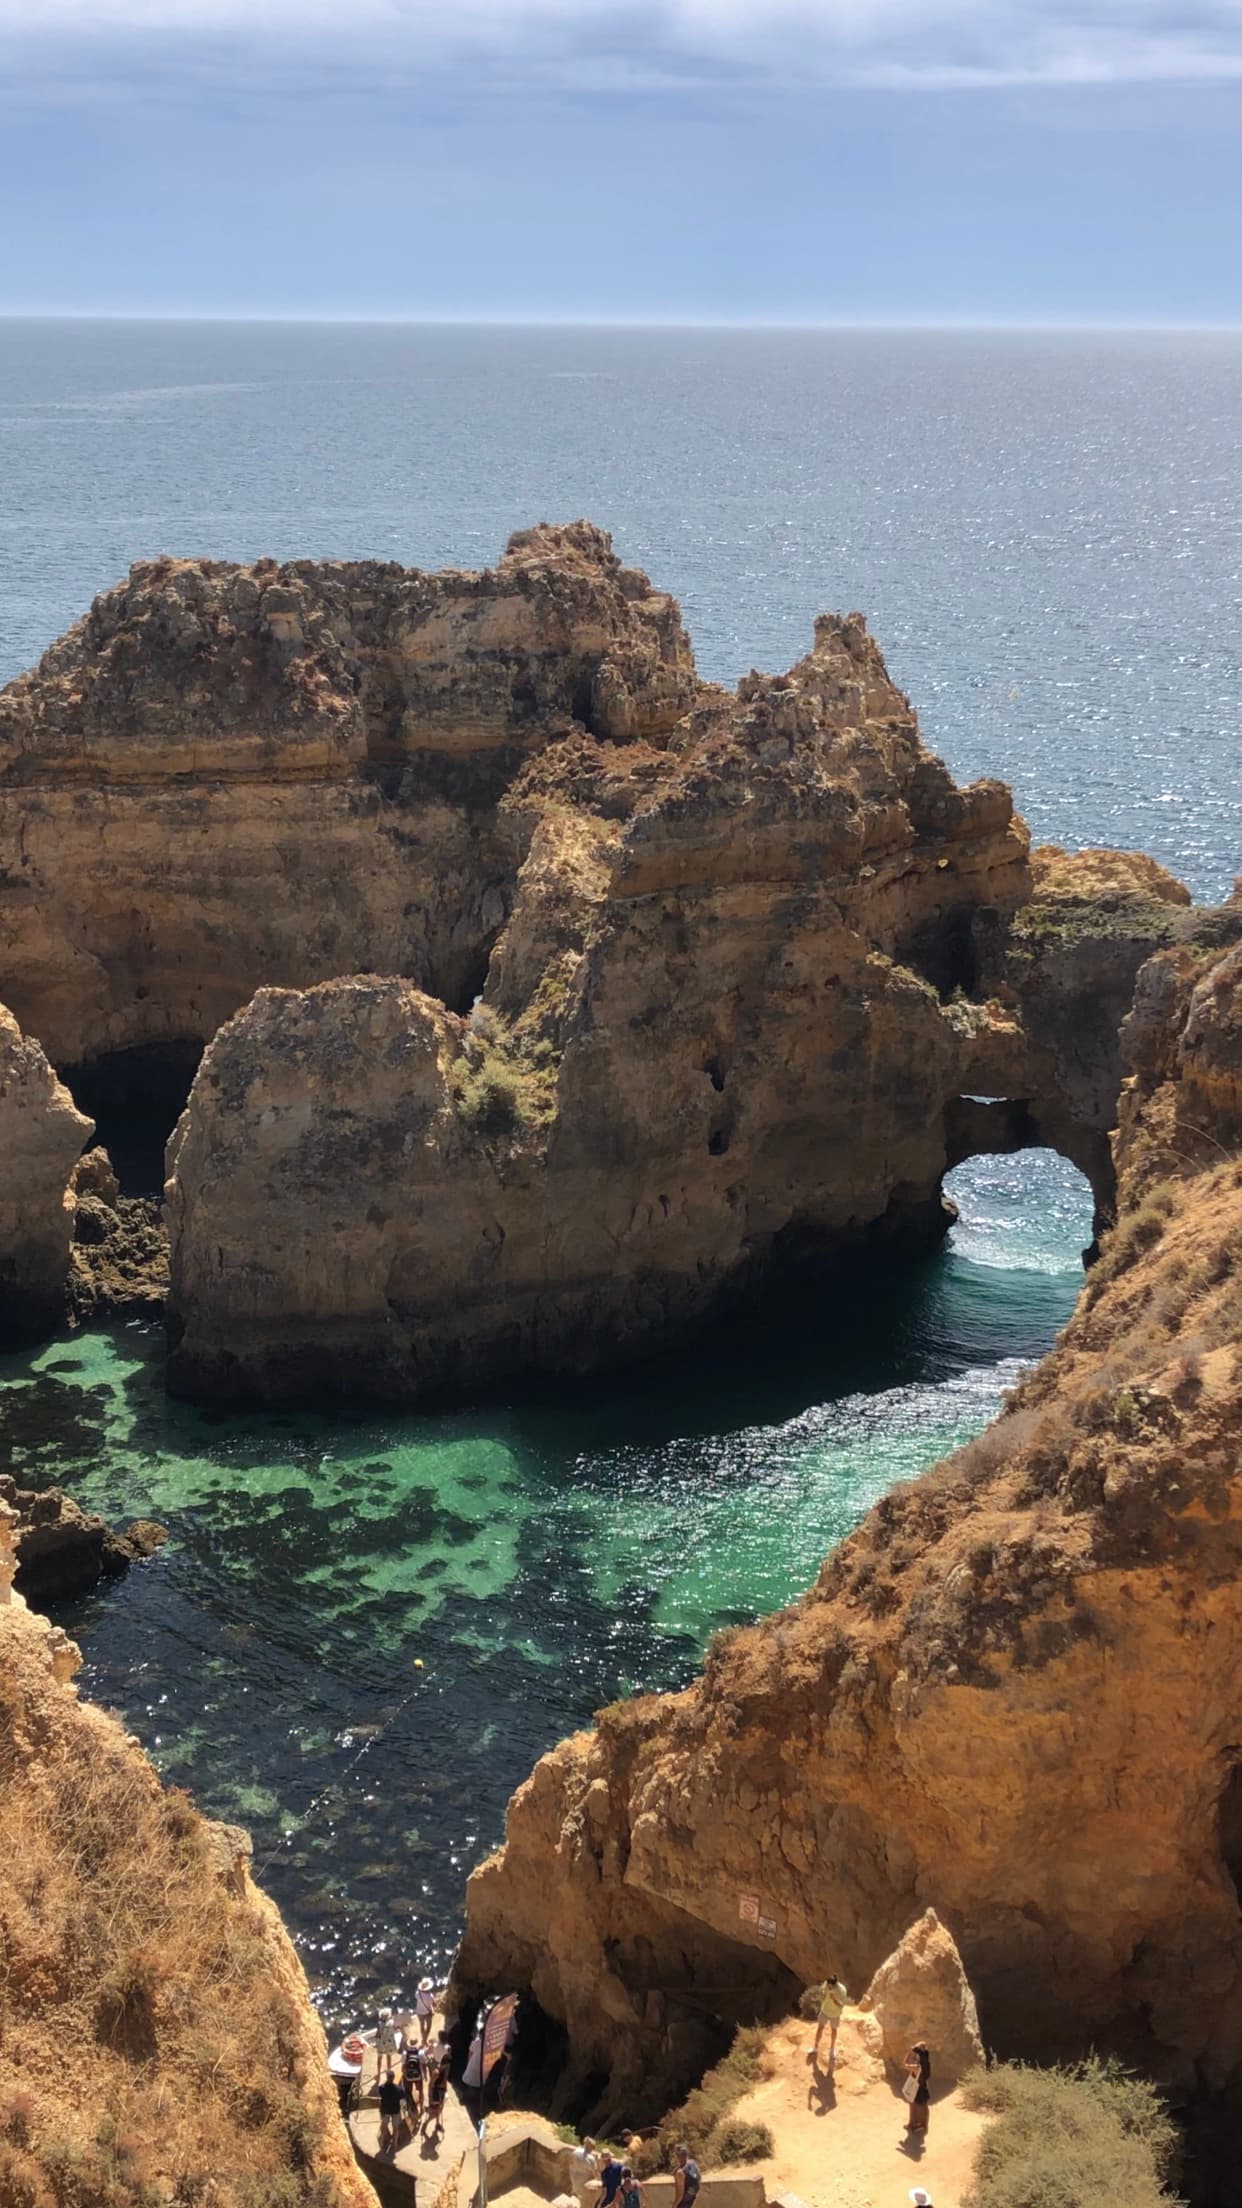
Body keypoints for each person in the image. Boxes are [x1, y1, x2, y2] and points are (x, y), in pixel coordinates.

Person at [812, 1976, 849, 2071]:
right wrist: (824, 1994)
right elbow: (822, 1991)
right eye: (827, 1985)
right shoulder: (827, 1984)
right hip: (825, 2010)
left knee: (834, 2030)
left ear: (835, 1984)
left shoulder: (842, 1990)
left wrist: (834, 1999)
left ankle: (832, 2050)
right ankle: (815, 2047)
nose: (828, 1987)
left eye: (830, 1986)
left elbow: (842, 2005)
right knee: (820, 2028)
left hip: (835, 2014)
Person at [904, 2043, 931, 2138]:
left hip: (917, 2089)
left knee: (914, 2107)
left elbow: (905, 2064)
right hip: (923, 2088)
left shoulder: (917, 2067)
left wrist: (909, 2052)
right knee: (924, 2107)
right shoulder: (926, 2064)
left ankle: (914, 2124)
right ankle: (923, 2125)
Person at [377, 2069, 404, 2155]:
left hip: (385, 2110)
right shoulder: (398, 2089)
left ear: (387, 2078)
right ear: (393, 2078)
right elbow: (402, 2097)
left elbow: (381, 2094)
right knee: (396, 2128)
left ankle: (382, 2142)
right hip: (395, 2110)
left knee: (384, 2126)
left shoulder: (382, 2088)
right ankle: (395, 2144)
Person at [423, 2053, 450, 2141]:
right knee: (433, 2113)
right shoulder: (436, 2072)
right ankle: (425, 2125)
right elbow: (430, 2085)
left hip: (441, 2092)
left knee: (439, 2110)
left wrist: (445, 2089)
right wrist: (431, 2099)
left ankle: (437, 2124)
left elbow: (445, 2080)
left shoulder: (445, 2069)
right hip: (435, 2093)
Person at [402, 2039, 428, 2123]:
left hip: (408, 2077)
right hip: (418, 2076)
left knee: (408, 2092)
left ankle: (410, 2108)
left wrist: (404, 2073)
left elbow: (403, 2066)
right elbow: (424, 2065)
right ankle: (421, 2108)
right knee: (420, 2092)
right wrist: (425, 2075)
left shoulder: (405, 2053)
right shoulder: (420, 2053)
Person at [570, 2137, 599, 2204]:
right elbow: (595, 2173)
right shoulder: (591, 2159)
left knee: (574, 2192)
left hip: (573, 2177)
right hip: (583, 2183)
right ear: (592, 2147)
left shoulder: (576, 2151)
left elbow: (570, 2162)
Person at [415, 1977, 436, 2045]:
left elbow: (416, 1996)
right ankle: (425, 2039)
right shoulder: (430, 1996)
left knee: (422, 2026)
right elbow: (433, 2004)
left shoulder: (418, 1994)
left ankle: (423, 2038)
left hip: (419, 2012)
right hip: (427, 2013)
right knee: (429, 2026)